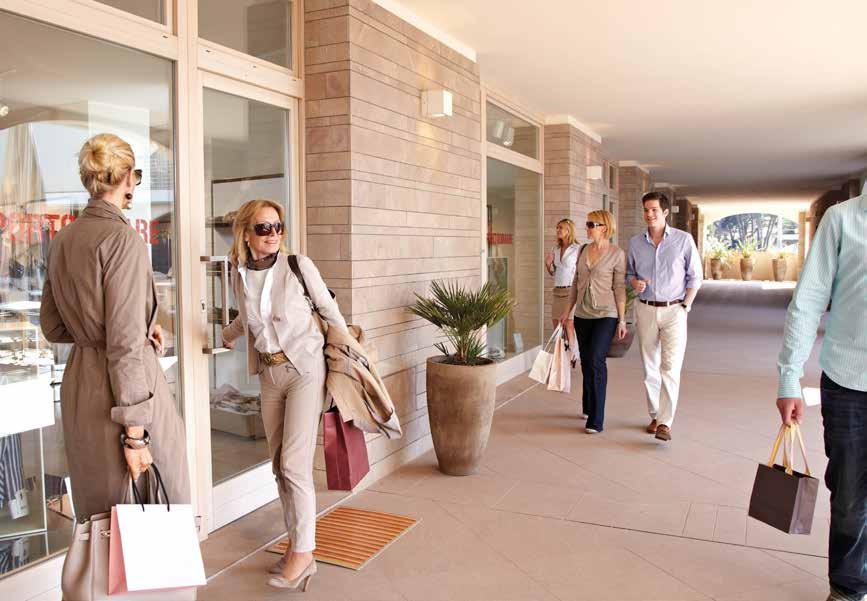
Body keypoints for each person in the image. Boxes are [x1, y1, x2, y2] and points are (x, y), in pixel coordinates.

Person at [40, 133, 190, 520]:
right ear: (125, 177)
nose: (134, 186)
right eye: (135, 176)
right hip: (121, 398)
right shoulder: (122, 238)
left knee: (101, 521)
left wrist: (110, 328)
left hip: (81, 388)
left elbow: (53, 327)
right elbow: (124, 345)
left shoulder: (63, 240)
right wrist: (135, 435)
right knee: (152, 513)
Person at [221, 199, 347, 592]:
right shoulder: (241, 274)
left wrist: (350, 355)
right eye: (264, 228)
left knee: (294, 464)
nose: (273, 234)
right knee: (279, 466)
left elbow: (329, 310)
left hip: (305, 370)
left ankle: (305, 553)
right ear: (246, 233)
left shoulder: (297, 266)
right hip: (269, 374)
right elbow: (248, 315)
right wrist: (227, 335)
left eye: (278, 226)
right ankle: (296, 544)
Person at [775, 193, 866, 601]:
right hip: (851, 384)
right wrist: (789, 378)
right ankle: (848, 589)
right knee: (850, 497)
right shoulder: (843, 220)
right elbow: (809, 299)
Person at [626, 192, 702, 442]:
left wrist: (685, 306)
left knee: (670, 366)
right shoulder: (636, 243)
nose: (649, 214)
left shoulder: (683, 240)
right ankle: (655, 415)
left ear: (665, 212)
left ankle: (665, 423)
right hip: (645, 308)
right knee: (650, 367)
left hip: (674, 310)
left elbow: (695, 276)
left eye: (654, 210)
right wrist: (634, 283)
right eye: (646, 210)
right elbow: (629, 274)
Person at [561, 210, 627, 433]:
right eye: (587, 224)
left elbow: (619, 288)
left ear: (604, 228)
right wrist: (567, 312)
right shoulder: (583, 250)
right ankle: (588, 405)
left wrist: (622, 320)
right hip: (582, 314)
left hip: (606, 314)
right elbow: (575, 283)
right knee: (586, 361)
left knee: (597, 360)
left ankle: (596, 419)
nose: (587, 228)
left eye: (591, 224)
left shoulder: (617, 254)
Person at [546, 218, 580, 367]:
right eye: (557, 227)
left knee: (569, 324)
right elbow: (554, 272)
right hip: (557, 291)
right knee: (556, 324)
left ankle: (572, 355)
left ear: (569, 230)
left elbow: (580, 272)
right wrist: (548, 265)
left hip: (570, 291)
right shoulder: (555, 249)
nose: (558, 230)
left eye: (561, 228)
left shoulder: (577, 249)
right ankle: (562, 356)